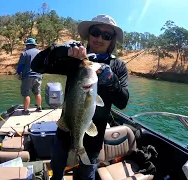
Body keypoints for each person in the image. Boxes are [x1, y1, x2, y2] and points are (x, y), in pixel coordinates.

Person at [30, 14, 129, 180]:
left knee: (86, 176)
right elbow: (36, 65)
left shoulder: (118, 66)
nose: (99, 38)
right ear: (88, 34)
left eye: (106, 36)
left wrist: (113, 82)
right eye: (95, 32)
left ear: (112, 40)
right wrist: (61, 49)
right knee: (57, 172)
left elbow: (123, 102)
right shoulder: (74, 59)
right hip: (64, 131)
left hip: (94, 139)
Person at [17, 38, 43, 115]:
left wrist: (19, 73)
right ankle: (39, 107)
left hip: (28, 76)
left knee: (26, 94)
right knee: (37, 92)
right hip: (38, 76)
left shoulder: (24, 53)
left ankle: (25, 110)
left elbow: (20, 67)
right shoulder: (40, 53)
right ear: (34, 45)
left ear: (27, 45)